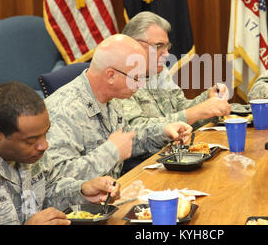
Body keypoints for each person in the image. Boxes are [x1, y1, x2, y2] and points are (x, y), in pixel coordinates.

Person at [0, 82, 119, 225]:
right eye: (31, 141)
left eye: (46, 133)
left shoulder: (30, 148)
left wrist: (82, 191)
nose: (44, 145)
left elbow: (49, 188)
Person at [44, 34, 192, 180]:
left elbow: (128, 139)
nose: (141, 85)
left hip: (114, 193)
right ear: (110, 76)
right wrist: (111, 153)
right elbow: (57, 179)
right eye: (135, 78)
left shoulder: (112, 98)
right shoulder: (64, 110)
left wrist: (164, 130)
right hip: (83, 203)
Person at [119, 11, 231, 131]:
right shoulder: (119, 76)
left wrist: (208, 98)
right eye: (159, 46)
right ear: (135, 44)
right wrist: (198, 111)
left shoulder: (160, 71)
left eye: (167, 46)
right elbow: (135, 131)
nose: (166, 54)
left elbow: (180, 107)